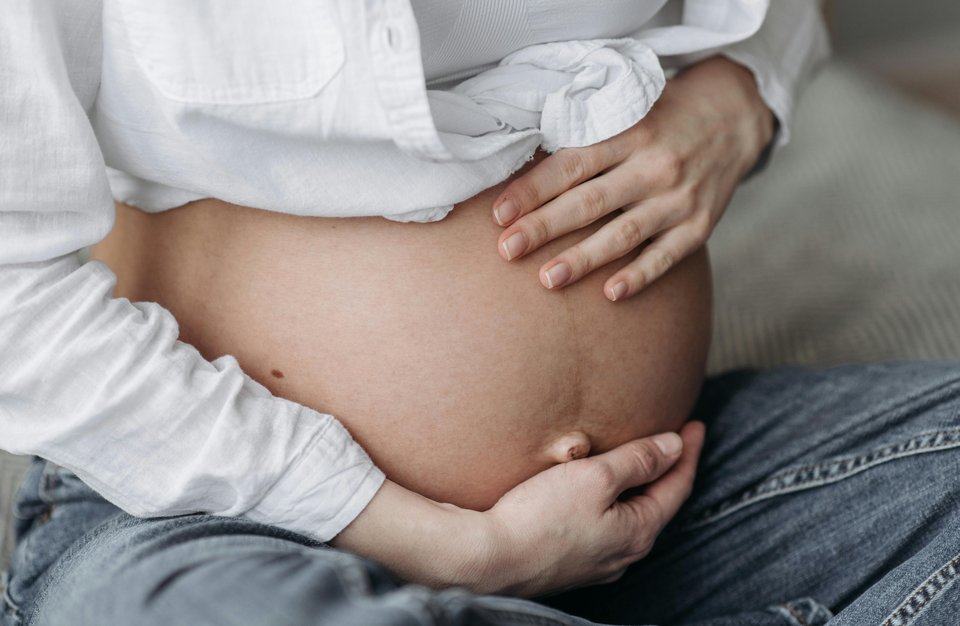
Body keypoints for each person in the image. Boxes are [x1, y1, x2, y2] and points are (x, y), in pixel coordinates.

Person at [7, 1, 958, 625]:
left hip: (662, 506)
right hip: (223, 524)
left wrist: (748, 84)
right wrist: (456, 551)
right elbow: (16, 308)